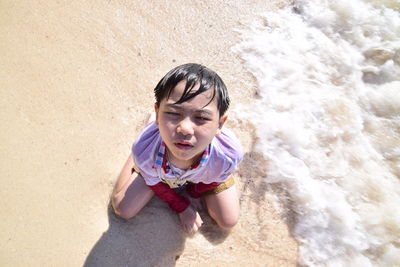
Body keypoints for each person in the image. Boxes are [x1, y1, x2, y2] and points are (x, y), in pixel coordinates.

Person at [111, 63, 243, 233]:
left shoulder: (227, 155)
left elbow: (216, 179)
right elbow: (156, 184)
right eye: (173, 113)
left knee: (228, 221)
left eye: (201, 117)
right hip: (156, 160)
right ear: (159, 113)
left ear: (220, 124)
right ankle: (146, 140)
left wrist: (193, 192)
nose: (185, 128)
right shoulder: (147, 152)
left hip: (208, 166)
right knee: (123, 208)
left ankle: (159, 128)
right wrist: (181, 206)